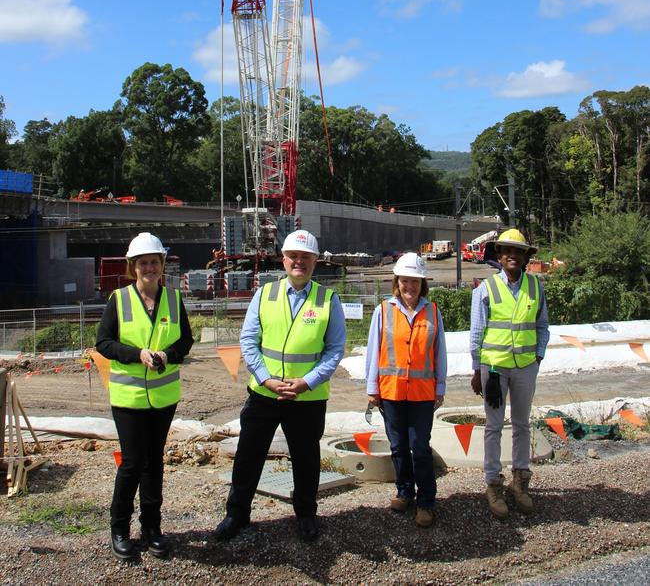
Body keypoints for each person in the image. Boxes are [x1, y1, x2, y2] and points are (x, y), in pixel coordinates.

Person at [214, 229, 346, 543]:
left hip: (307, 397)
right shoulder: (265, 294)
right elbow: (248, 341)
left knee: (305, 458)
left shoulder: (328, 300)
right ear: (283, 260)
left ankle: (305, 514)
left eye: (305, 257)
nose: (299, 262)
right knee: (249, 454)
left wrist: (307, 382)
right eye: (293, 257)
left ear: (315, 261)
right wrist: (266, 378)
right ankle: (236, 514)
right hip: (264, 394)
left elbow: (334, 350)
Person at [95, 232, 194, 561]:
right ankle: (119, 528)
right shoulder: (119, 300)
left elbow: (185, 343)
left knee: (155, 464)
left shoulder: (173, 300)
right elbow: (103, 343)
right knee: (133, 463)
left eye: (154, 262)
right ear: (133, 267)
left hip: (164, 398)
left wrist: (167, 355)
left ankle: (152, 527)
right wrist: (136, 354)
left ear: (162, 265)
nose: (149, 267)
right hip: (129, 399)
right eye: (143, 263)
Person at [469, 228, 549, 519]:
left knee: (522, 424)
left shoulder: (536, 288)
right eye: (507, 251)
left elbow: (542, 326)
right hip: (494, 369)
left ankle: (520, 482)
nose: (513, 255)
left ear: (525, 257)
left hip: (526, 367)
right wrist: (477, 370)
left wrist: (538, 356)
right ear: (499, 257)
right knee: (493, 426)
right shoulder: (486, 289)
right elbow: (477, 332)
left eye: (518, 251)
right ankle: (493, 483)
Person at [365, 252, 447, 528]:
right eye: (404, 280)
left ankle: (426, 501)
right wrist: (371, 387)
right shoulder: (383, 310)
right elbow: (373, 351)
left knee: (419, 447)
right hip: (391, 393)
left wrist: (440, 387)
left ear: (422, 284)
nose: (409, 286)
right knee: (398, 446)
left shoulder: (433, 311)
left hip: (423, 394)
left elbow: (440, 353)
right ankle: (404, 491)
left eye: (415, 281)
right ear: (396, 281)